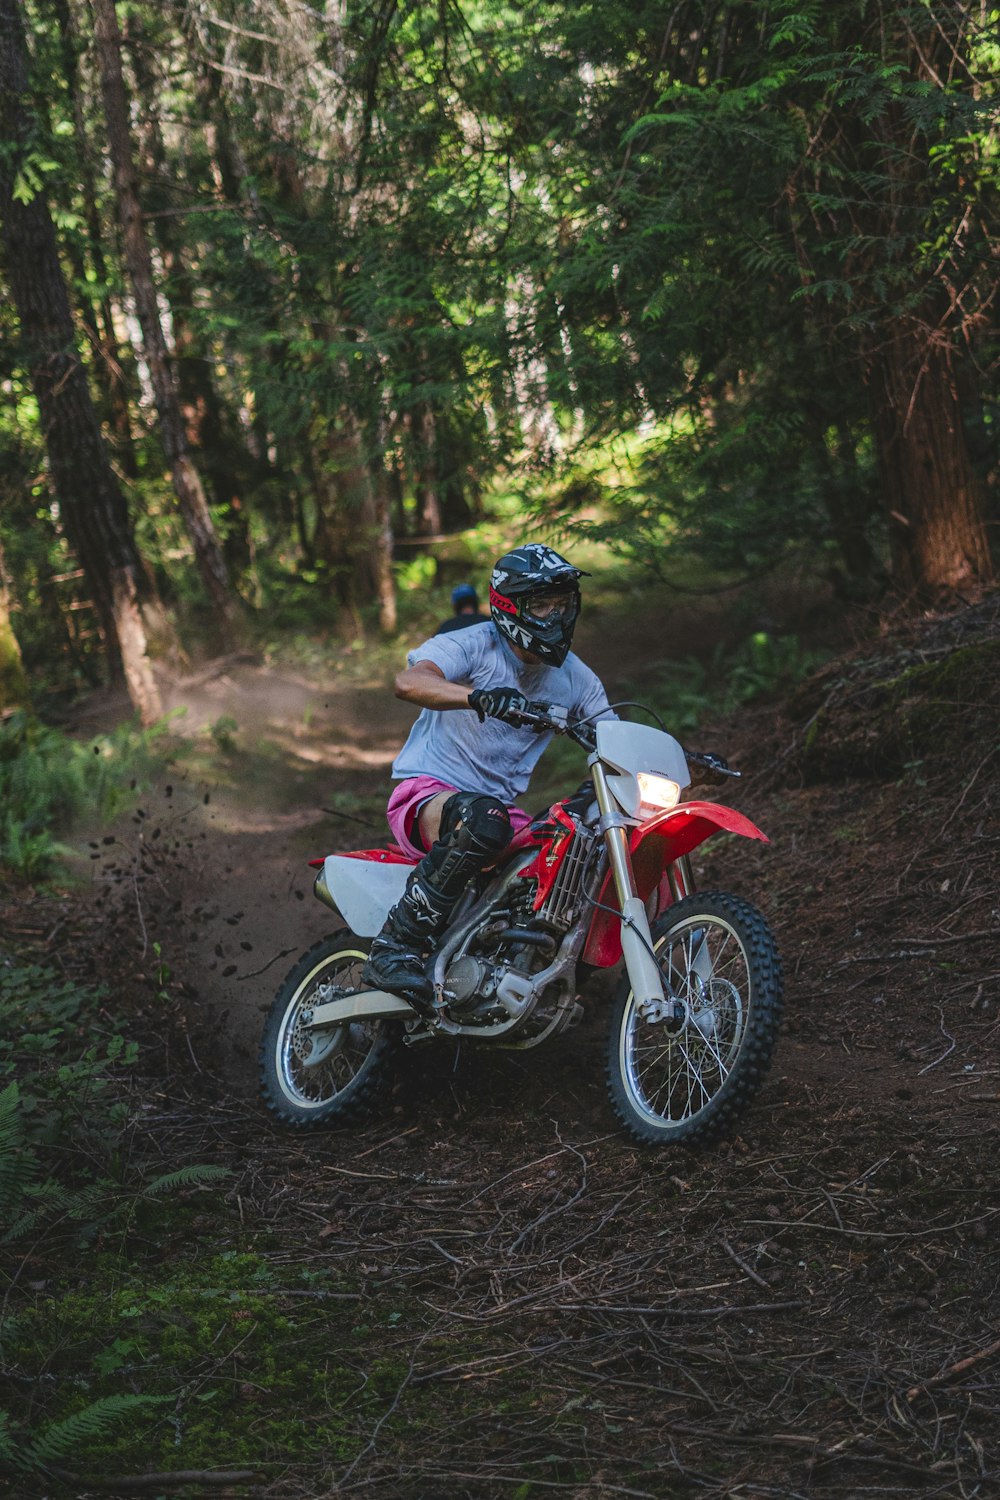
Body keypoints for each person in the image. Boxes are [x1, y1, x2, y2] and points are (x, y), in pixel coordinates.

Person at [361, 544, 616, 1008]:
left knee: (585, 832)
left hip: (503, 814)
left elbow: (613, 735)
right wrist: (474, 696)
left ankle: (535, 965)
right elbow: (410, 681)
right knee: (485, 820)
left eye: (563, 603)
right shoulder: (474, 644)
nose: (556, 614)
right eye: (542, 604)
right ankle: (394, 947)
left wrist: (679, 760)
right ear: (510, 605)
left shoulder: (575, 676)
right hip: (429, 795)